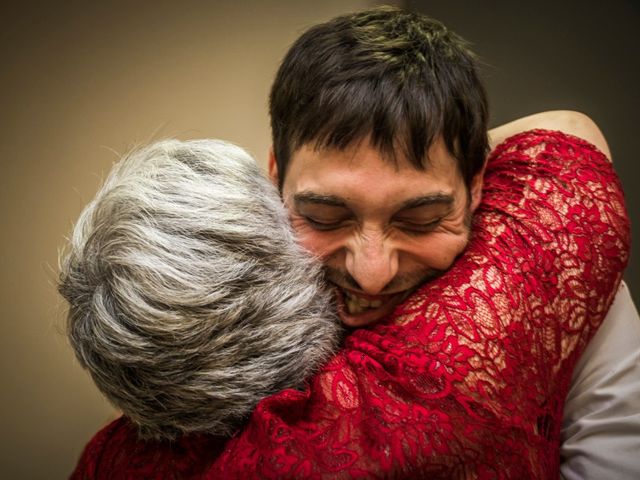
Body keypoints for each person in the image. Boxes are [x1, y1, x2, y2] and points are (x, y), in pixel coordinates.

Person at [65, 6, 636, 479]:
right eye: (324, 214)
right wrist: (445, 164)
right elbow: (570, 131)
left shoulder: (107, 463)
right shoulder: (524, 282)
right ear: (272, 189)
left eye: (420, 217)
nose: (372, 274)